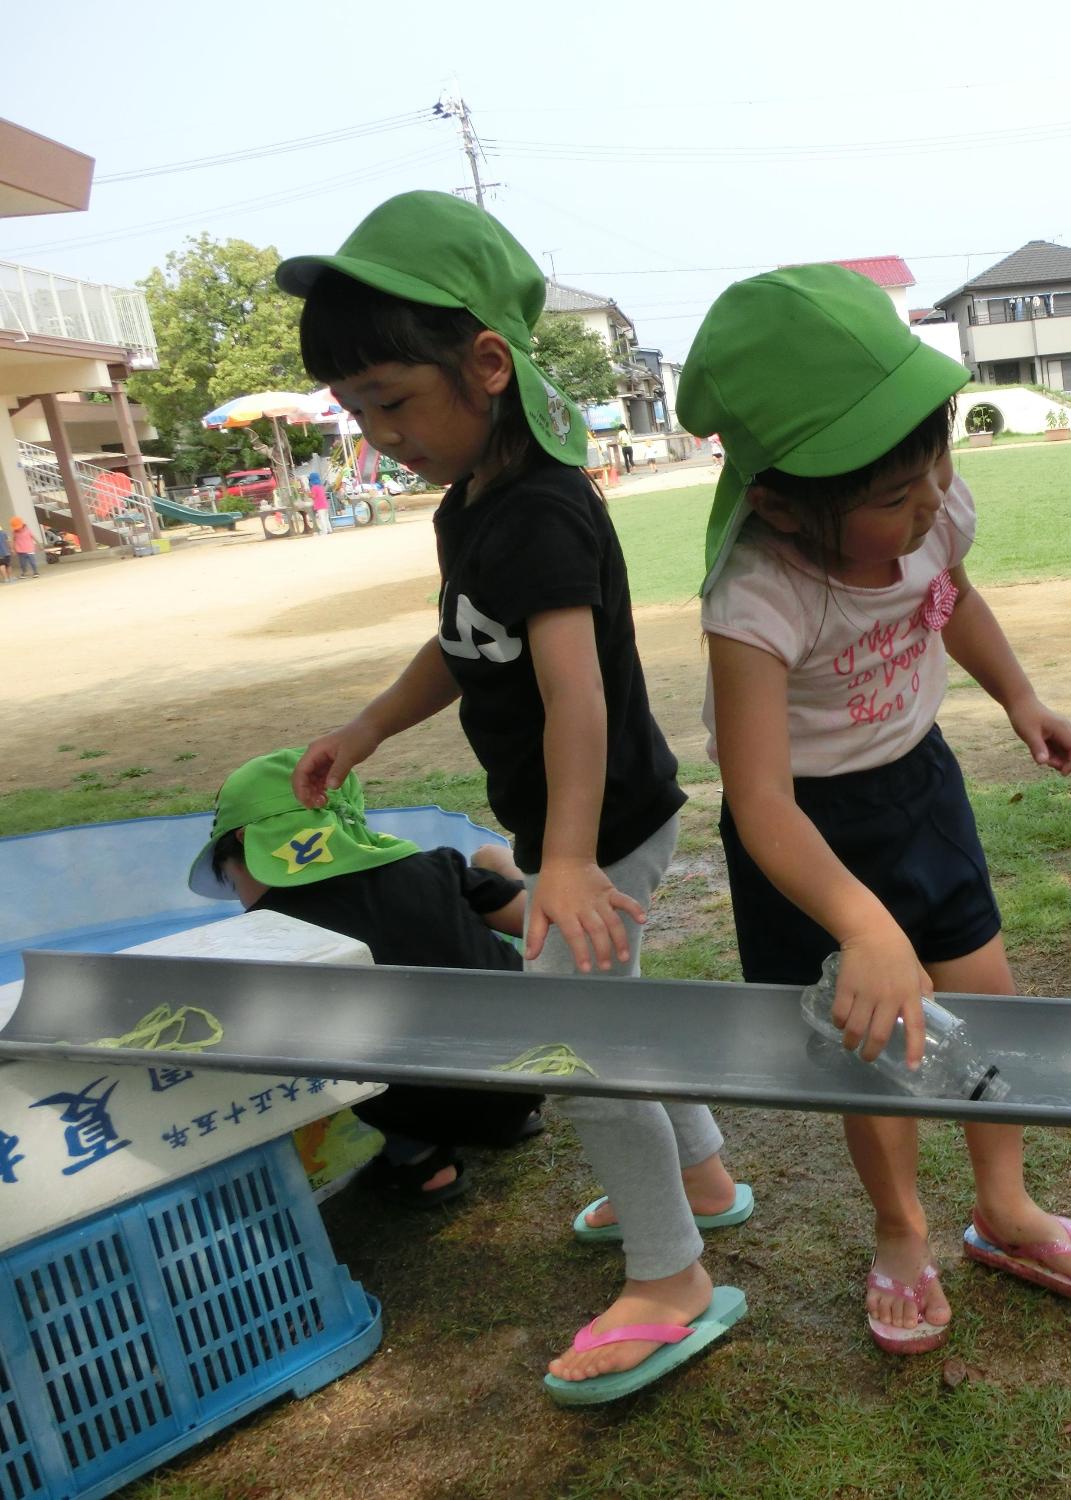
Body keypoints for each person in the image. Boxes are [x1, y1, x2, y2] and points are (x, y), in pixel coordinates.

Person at [278, 190, 750, 1404]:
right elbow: (461, 644)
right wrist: (368, 725)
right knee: (609, 1008)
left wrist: (575, 860)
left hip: (604, 818)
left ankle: (671, 1275)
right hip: (572, 825)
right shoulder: (470, 507)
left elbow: (576, 695)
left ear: (485, 364)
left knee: (577, 1037)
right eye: (356, 410)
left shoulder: (541, 507)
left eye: (391, 399)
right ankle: (696, 1180)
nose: (377, 432)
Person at [680, 265, 1071, 1357]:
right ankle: (900, 1228)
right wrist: (861, 925)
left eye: (936, 464)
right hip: (805, 838)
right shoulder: (755, 595)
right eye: (894, 493)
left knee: (988, 1001)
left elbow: (949, 599)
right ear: (780, 500)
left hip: (917, 789)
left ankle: (1005, 1206)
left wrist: (1016, 693)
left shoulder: (929, 511)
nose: (929, 501)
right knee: (867, 1052)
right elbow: (758, 800)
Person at [189, 748, 547, 1206]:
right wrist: (498, 864)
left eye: (233, 882)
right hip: (534, 1067)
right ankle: (516, 1115)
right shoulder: (432, 867)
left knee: (325, 1037)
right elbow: (536, 925)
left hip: (411, 1106)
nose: (241, 900)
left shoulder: (268, 932)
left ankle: (423, 1163)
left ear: (248, 845)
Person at [309, 471, 331, 536]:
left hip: (320, 506)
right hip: (325, 505)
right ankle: (329, 529)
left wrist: (308, 494)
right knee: (326, 518)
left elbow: (313, 496)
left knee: (322, 519)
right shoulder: (321, 487)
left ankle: (324, 531)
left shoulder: (314, 487)